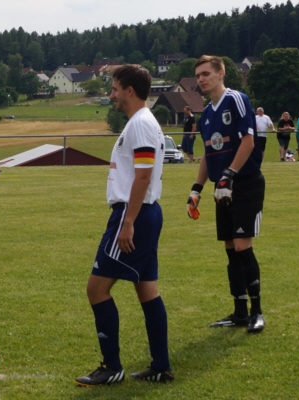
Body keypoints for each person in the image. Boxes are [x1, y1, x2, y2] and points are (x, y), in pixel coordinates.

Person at [75, 65, 173, 386]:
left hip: (134, 215)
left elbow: (143, 177)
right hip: (144, 213)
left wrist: (127, 221)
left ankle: (111, 366)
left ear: (130, 90)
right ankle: (161, 365)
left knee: (96, 289)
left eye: (115, 88)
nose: (112, 94)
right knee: (147, 289)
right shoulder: (142, 121)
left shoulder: (140, 123)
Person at [186, 55, 265, 333]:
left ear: (221, 73)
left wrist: (229, 174)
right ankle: (239, 312)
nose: (201, 79)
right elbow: (208, 155)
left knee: (242, 246)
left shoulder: (236, 99)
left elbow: (248, 141)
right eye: (198, 75)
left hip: (245, 183)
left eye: (206, 73)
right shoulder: (206, 114)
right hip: (222, 188)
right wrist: (196, 189)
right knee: (230, 248)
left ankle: (257, 311)